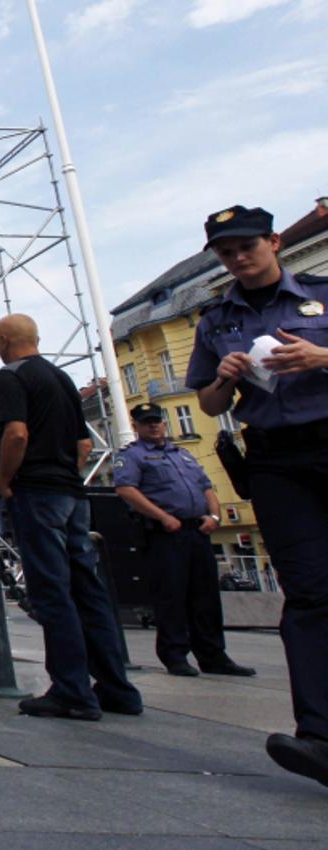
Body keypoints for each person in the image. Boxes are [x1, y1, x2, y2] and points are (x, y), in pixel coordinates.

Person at [186, 204, 328, 788]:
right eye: (226, 252)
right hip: (274, 458)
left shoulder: (319, 294)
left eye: (247, 246)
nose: (238, 258)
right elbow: (211, 405)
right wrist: (225, 377)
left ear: (273, 242)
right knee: (310, 592)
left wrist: (322, 356)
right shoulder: (216, 319)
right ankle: (319, 736)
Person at [0, 313, 143, 720]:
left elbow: (17, 434)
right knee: (88, 590)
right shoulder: (61, 379)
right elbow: (83, 444)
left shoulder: (12, 376)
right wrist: (67, 476)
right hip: (72, 493)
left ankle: (72, 690)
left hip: (37, 491)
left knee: (53, 591)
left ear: (3, 339)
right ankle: (117, 687)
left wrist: (7, 480)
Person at [113, 403, 256, 678]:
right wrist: (162, 516)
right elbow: (126, 489)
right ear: (137, 427)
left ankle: (213, 654)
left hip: (197, 530)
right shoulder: (133, 456)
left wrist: (215, 516)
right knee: (171, 596)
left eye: (157, 421)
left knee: (206, 596)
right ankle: (175, 654)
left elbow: (206, 487)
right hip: (165, 533)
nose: (154, 426)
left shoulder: (183, 454)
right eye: (147, 422)